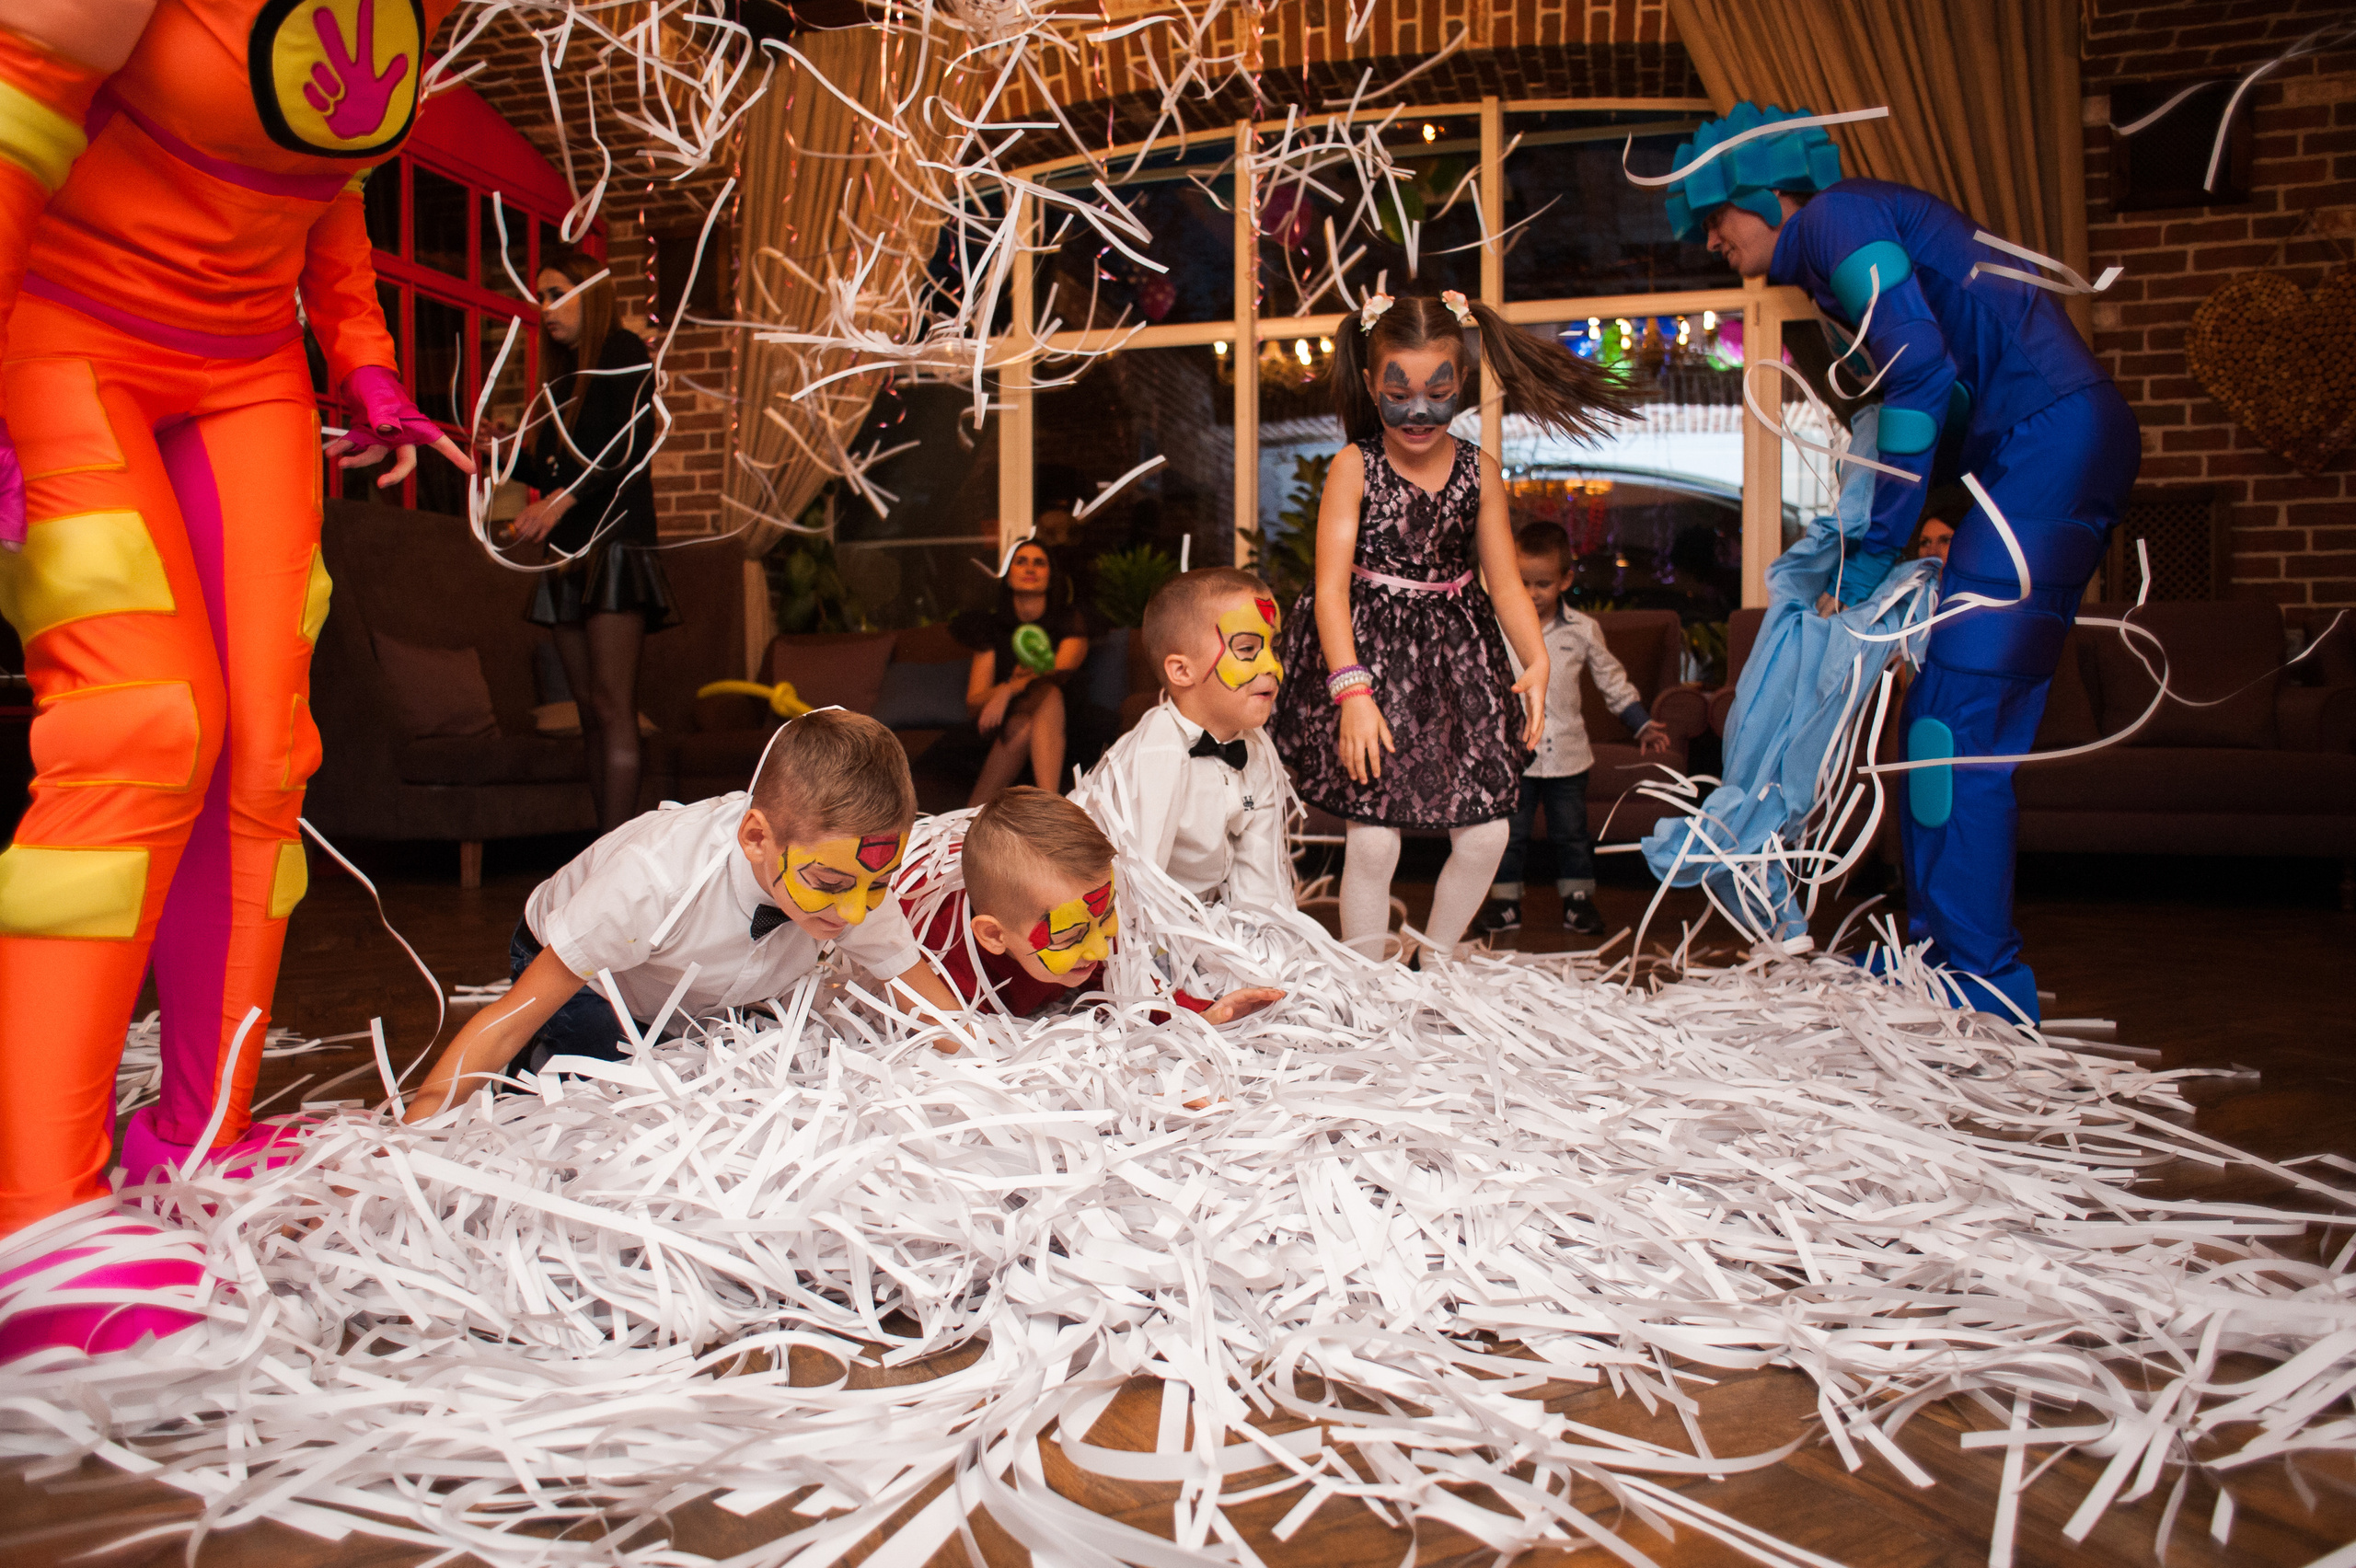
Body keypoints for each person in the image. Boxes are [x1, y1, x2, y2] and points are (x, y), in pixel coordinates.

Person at [0, 0, 480, 1356]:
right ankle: (32, 1212)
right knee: (140, 730)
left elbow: (316, 183)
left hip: (244, 368)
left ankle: (198, 1134)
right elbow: (18, 103)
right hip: (61, 335)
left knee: (266, 754)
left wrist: (368, 364)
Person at [1668, 103, 2140, 1020]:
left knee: (1955, 724)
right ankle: (1939, 957)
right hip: (2031, 454)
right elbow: (1936, 390)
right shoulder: (1837, 247)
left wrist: (1877, 545)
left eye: (1714, 220)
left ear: (1765, 195)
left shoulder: (1836, 219)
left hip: (2047, 447)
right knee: (1939, 720)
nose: (1710, 241)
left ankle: (1981, 981)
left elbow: (1920, 377)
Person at [1267, 290, 1638, 962]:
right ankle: (1368, 984)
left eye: (1438, 391)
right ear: (1372, 384)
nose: (1418, 410)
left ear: (1461, 383)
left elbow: (1502, 581)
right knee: (1375, 839)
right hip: (1370, 661)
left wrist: (1538, 660)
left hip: (1453, 661)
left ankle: (1434, 963)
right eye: (1398, 391)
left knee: (1489, 833)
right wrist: (1351, 691)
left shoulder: (1479, 471)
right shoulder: (1355, 466)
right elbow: (1327, 589)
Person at [403, 709, 961, 1120]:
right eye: (830, 885)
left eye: (877, 886)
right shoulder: (654, 880)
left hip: (700, 996)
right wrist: (406, 1141)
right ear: (756, 838)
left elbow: (926, 1000)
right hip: (593, 982)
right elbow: (506, 1025)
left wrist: (989, 1071)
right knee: (597, 1116)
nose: (855, 910)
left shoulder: (853, 879)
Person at [506, 251, 671, 832]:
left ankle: (617, 855)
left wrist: (561, 502)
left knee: (611, 706)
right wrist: (507, 456)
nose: (545, 308)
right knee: (588, 713)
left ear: (591, 293)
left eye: (557, 293)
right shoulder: (563, 380)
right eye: (541, 298)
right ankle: (604, 857)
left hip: (616, 549)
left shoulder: (624, 351)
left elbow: (628, 447)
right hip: (570, 555)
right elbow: (560, 472)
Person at [900, 785, 1281, 1022]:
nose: (1100, 948)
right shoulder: (948, 971)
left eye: (1107, 914)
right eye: (1070, 935)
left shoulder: (1086, 922)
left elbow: (1132, 988)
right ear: (994, 935)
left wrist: (1199, 1013)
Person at [1475, 524, 1670, 940]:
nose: (1531, 593)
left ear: (1565, 580)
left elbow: (1611, 681)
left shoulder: (1583, 630)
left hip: (1568, 757)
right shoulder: (1498, 628)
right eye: (1522, 582)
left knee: (1572, 835)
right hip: (1514, 758)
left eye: (1543, 583)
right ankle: (1505, 902)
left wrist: (1641, 725)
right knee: (1509, 836)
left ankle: (1578, 902)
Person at [1073, 567, 1292, 916]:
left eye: (1274, 648)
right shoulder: (1158, 752)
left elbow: (1259, 879)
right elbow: (1138, 886)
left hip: (1199, 920)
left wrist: (1261, 950)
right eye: (1248, 648)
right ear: (1181, 671)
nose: (1272, 667)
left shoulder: (1257, 748)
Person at [952, 536, 1088, 804]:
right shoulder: (989, 629)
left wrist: (1009, 689)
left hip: (1066, 722)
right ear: (1008, 576)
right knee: (1019, 724)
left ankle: (971, 816)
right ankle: (1051, 811)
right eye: (1021, 562)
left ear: (1051, 577)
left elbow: (1058, 672)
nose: (1030, 569)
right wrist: (1005, 690)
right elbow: (974, 703)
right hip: (1005, 723)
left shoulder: (1069, 621)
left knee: (1047, 693)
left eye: (1039, 563)